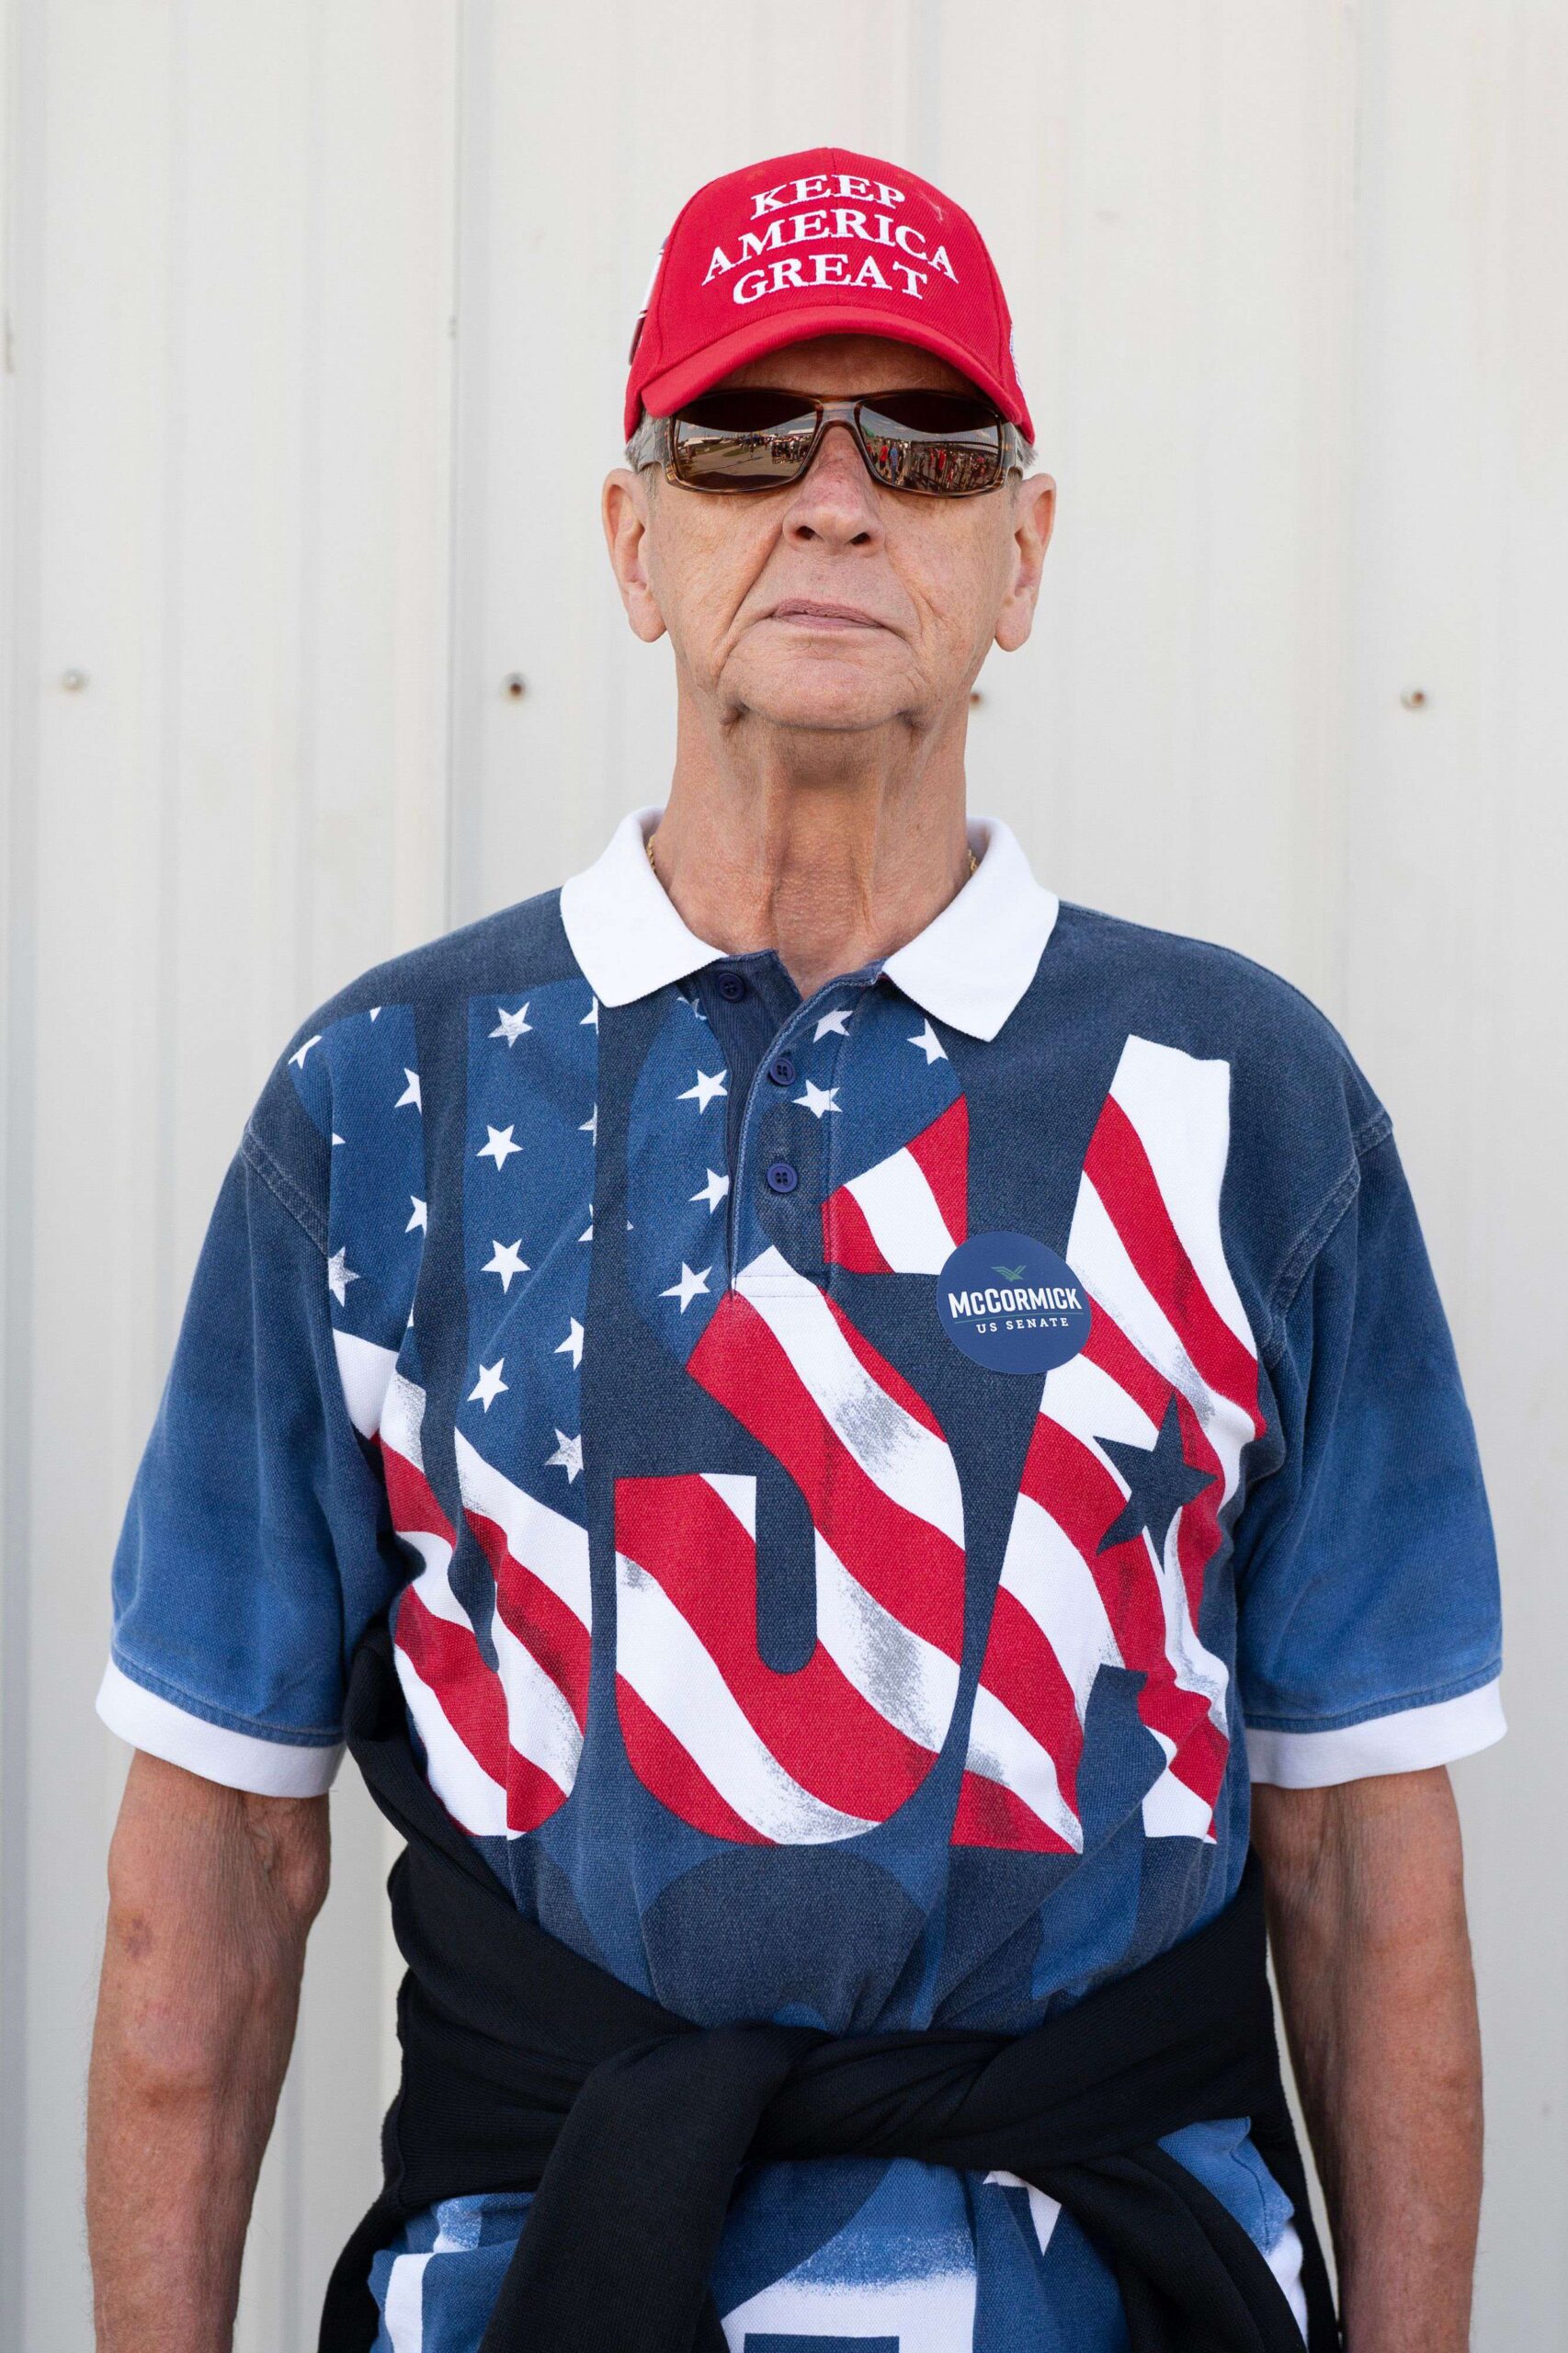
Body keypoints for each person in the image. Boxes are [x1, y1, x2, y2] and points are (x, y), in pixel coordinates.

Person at [86, 147, 1504, 2353]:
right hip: (538, 2288)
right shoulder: (379, 1098)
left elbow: (1361, 1862)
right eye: (748, 437)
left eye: (923, 447)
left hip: (1115, 2294)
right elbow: (216, 1863)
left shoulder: (1246, 1102)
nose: (835, 500)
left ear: (1018, 555)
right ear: (633, 537)